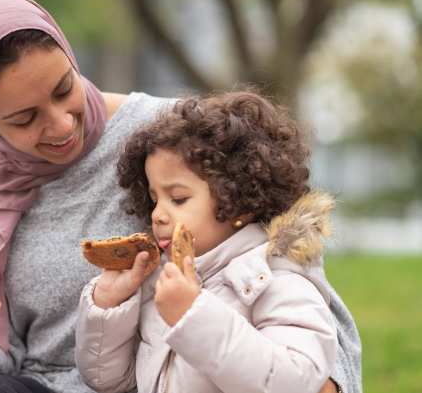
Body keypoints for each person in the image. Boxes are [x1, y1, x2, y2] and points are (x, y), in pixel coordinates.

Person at [0, 0, 361, 393]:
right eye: (24, 118)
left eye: (64, 89)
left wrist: (326, 382)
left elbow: (294, 271)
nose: (59, 125)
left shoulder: (166, 135)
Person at [75, 91, 342, 393]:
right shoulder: (161, 281)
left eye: (178, 199)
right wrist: (110, 306)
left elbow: (295, 381)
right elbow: (111, 381)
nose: (158, 215)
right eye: (153, 199)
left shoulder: (277, 281)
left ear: (240, 201)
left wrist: (194, 316)